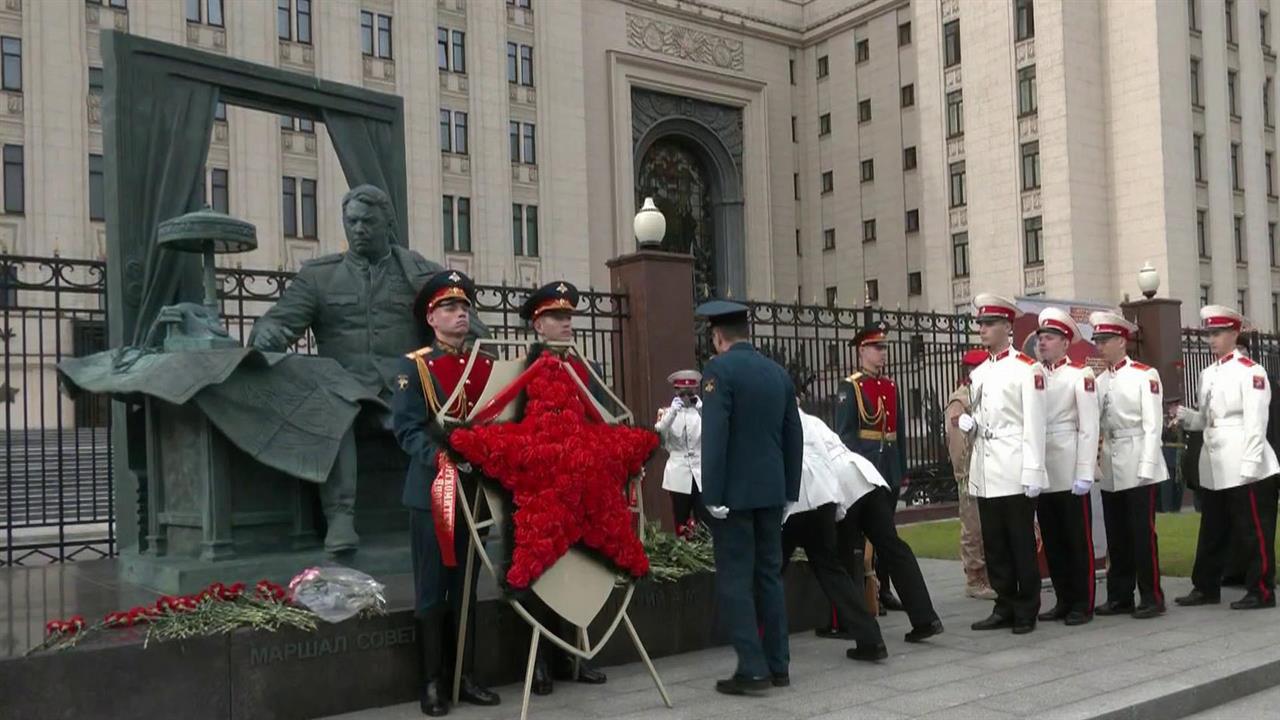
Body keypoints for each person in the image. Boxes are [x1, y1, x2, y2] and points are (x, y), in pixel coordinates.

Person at [250, 184, 483, 552]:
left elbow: (473, 332)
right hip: (345, 390)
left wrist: (457, 362)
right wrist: (267, 335)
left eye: (368, 222)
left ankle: (471, 510)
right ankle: (340, 517)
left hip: (405, 389)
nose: (358, 228)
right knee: (333, 405)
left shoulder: (418, 274)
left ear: (388, 223)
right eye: (352, 221)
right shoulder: (318, 277)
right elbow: (277, 322)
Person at [390, 270, 500, 717]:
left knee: (467, 589)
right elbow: (407, 429)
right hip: (433, 491)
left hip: (475, 492)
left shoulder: (484, 364)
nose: (461, 315)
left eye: (465, 308)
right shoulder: (414, 365)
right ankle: (432, 683)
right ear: (431, 317)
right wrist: (441, 458)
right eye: (451, 308)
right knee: (433, 590)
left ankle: (464, 677)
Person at [696, 299, 803, 696]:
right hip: (773, 492)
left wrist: (712, 493)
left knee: (736, 580)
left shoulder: (718, 371)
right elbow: (795, 434)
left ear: (718, 337)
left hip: (735, 496)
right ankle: (779, 665)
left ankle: (752, 668)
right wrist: (790, 491)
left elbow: (716, 435)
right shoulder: (777, 373)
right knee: (769, 577)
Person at [517, 279, 609, 694]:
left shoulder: (582, 369)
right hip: (539, 490)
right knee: (540, 578)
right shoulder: (525, 369)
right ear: (538, 326)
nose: (566, 322)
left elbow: (598, 418)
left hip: (578, 487)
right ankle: (539, 663)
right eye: (557, 317)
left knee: (576, 572)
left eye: (569, 316)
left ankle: (577, 655)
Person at [1174, 306, 1279, 610]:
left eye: (1217, 334)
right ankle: (1205, 587)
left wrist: (1250, 464)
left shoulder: (1251, 371)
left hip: (1247, 463)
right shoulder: (1207, 374)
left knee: (1253, 529)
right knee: (1212, 528)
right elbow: (1208, 419)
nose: (1211, 340)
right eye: (1208, 334)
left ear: (1234, 334)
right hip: (1216, 464)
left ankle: (1261, 589)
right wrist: (1186, 418)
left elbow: (1257, 422)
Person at [954, 293, 1047, 634]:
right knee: (994, 542)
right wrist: (972, 424)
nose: (983, 329)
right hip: (986, 467)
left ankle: (1027, 606)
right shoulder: (979, 373)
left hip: (1014, 463)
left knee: (1020, 541)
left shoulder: (1027, 368)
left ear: (1008, 326)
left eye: (990, 323)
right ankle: (1004, 602)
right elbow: (984, 416)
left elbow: (1035, 424)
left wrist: (1033, 470)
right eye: (980, 323)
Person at [785, 404, 890, 663]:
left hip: (793, 502)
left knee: (768, 571)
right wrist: (838, 503)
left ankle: (760, 643)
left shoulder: (767, 419)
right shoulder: (811, 421)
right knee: (832, 570)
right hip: (822, 498)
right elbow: (828, 461)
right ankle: (870, 638)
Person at [1089, 311, 1168, 619]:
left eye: (1105, 340)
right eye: (1097, 340)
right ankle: (1120, 595)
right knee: (1117, 534)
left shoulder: (1144, 375)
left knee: (1142, 534)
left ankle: (1152, 596)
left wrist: (1148, 464)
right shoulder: (1100, 381)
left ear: (1121, 341)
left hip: (1137, 458)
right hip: (1111, 459)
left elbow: (1153, 425)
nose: (1100, 346)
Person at [834, 322, 908, 613]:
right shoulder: (850, 386)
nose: (883, 353)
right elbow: (846, 434)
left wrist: (900, 470)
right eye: (877, 348)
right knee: (862, 534)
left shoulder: (890, 385)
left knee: (886, 532)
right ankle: (866, 588)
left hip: (887, 467)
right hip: (866, 466)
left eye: (884, 347)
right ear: (862, 350)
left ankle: (884, 589)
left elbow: (898, 433)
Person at [1033, 308, 1100, 626]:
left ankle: (1082, 602)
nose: (1042, 343)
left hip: (1070, 465)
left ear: (1065, 342)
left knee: (1076, 540)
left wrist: (1085, 471)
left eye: (1049, 338)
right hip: (1044, 468)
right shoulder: (1035, 376)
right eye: (1040, 337)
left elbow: (1089, 427)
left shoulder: (1080, 375)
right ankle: (1062, 598)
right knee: (1054, 540)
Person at [946, 348, 997, 600]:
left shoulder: (984, 393)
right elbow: (957, 440)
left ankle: (988, 575)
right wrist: (963, 472)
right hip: (970, 472)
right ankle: (974, 578)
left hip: (991, 469)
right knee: (973, 526)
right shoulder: (961, 400)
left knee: (989, 525)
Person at [656, 369, 706, 537]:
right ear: (676, 392)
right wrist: (672, 413)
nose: (686, 397)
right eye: (682, 392)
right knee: (681, 520)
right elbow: (660, 434)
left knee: (704, 520)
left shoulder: (700, 413)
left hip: (700, 473)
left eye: (689, 393)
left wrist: (702, 409)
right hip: (678, 473)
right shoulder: (666, 413)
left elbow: (715, 432)